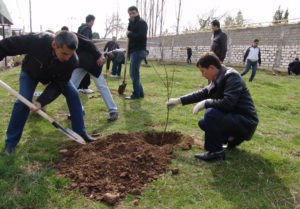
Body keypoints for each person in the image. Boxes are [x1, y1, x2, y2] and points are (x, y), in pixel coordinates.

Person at [0, 31, 98, 155]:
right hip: (31, 72)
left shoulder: (72, 61)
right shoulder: (37, 40)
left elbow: (59, 85)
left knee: (73, 94)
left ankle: (80, 132)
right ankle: (10, 144)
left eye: (70, 54)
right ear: (54, 44)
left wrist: (41, 102)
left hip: (55, 77)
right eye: (64, 53)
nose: (67, 58)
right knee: (22, 102)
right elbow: (7, 45)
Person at [166, 53, 258, 161]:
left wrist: (206, 103)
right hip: (235, 119)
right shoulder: (219, 76)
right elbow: (203, 93)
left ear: (211, 68)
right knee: (203, 123)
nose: (202, 75)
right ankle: (230, 140)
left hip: (246, 122)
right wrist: (178, 101)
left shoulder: (232, 77)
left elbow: (228, 103)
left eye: (203, 71)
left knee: (211, 114)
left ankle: (216, 152)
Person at [71, 15, 119, 122]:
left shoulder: (79, 32)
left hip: (91, 63)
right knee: (71, 87)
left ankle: (113, 110)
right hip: (80, 64)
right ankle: (78, 110)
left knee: (101, 85)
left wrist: (99, 56)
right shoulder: (84, 29)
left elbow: (88, 43)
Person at [125, 6, 148, 100]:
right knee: (133, 73)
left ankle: (136, 94)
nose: (132, 15)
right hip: (133, 51)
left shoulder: (142, 23)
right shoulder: (132, 23)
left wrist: (129, 34)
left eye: (133, 13)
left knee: (134, 73)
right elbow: (129, 35)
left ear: (137, 12)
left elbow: (141, 37)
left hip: (139, 51)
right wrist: (128, 52)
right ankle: (140, 93)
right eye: (130, 14)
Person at [77, 15, 95, 94]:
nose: (93, 23)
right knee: (86, 69)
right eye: (93, 21)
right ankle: (85, 87)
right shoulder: (87, 29)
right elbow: (87, 41)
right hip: (85, 53)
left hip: (79, 53)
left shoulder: (80, 28)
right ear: (91, 21)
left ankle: (79, 87)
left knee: (79, 71)